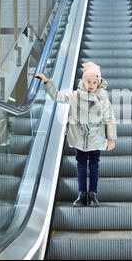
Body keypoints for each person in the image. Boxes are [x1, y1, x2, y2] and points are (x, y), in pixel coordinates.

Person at [35, 62, 117, 207]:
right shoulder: (75, 95)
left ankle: (92, 194)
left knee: (94, 165)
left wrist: (111, 138)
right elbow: (58, 97)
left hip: (96, 137)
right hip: (79, 137)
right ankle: (82, 194)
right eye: (88, 81)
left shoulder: (103, 97)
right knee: (80, 165)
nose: (91, 85)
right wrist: (48, 82)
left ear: (99, 83)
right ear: (83, 82)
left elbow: (109, 117)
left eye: (94, 82)